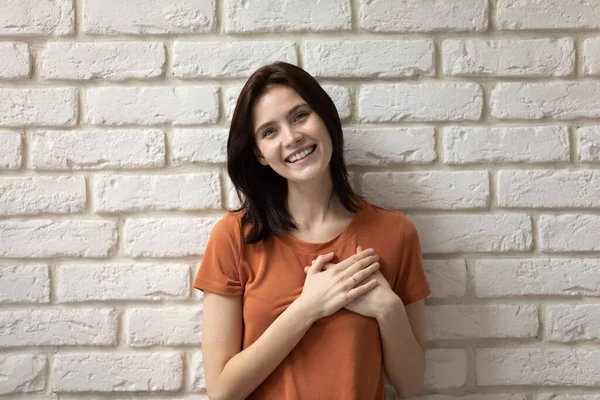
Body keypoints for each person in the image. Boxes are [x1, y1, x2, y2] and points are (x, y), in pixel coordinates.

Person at [193, 62, 431, 400]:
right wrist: (308, 308)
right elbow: (222, 391)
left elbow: (410, 384)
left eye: (299, 116)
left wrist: (387, 309)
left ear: (326, 119)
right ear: (259, 155)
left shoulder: (395, 234)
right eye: (269, 132)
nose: (291, 138)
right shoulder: (233, 237)